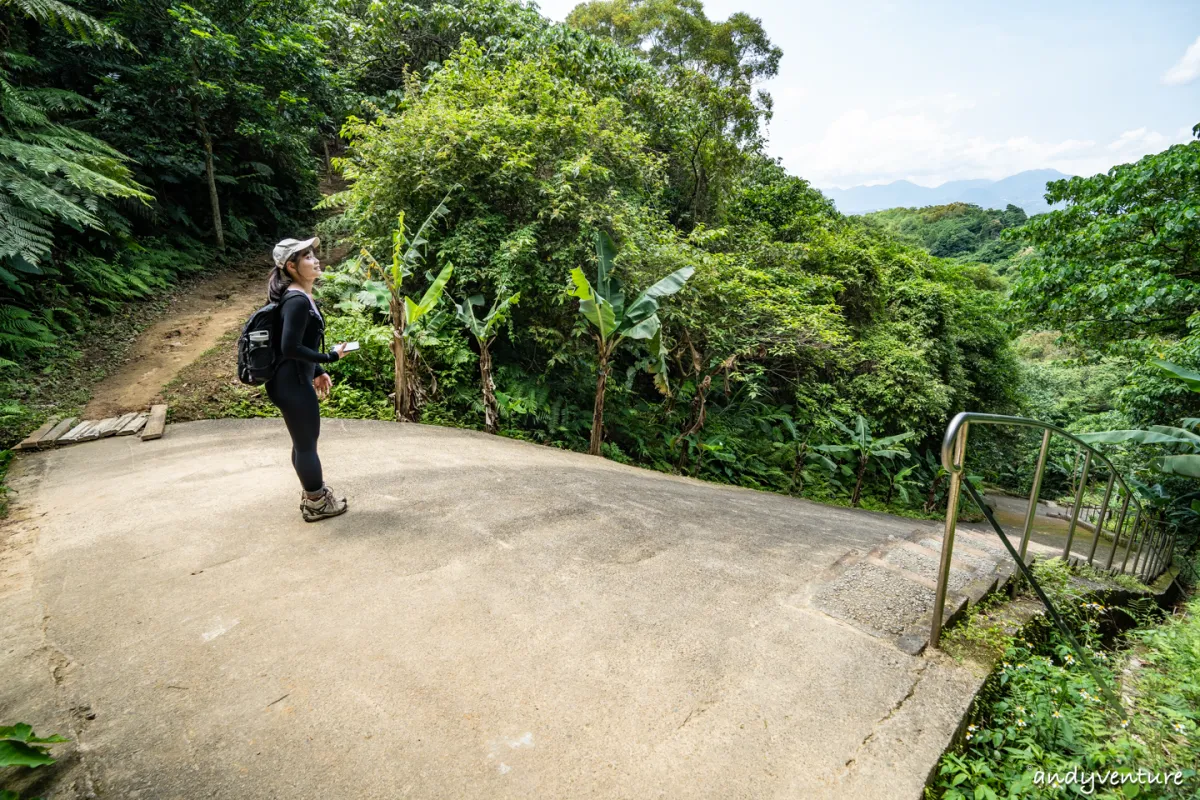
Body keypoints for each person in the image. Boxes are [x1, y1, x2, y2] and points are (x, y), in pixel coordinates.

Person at [266, 237, 351, 522]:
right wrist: (330, 358)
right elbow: (289, 347)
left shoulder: (301, 295)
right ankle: (317, 502)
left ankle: (311, 496)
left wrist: (316, 370)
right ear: (291, 266)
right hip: (291, 383)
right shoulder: (297, 300)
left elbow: (299, 342)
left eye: (314, 255)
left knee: (304, 442)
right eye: (307, 257)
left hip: (295, 379)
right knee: (305, 445)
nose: (315, 261)